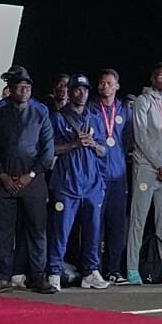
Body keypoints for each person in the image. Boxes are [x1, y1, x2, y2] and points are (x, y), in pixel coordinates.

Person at [0, 67, 56, 294]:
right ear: (11, 88)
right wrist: (1, 174)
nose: (24, 90)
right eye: (20, 87)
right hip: (4, 180)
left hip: (33, 180)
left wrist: (31, 174)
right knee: (2, 232)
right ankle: (3, 277)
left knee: (37, 230)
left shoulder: (40, 111)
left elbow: (48, 150)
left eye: (28, 87)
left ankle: (37, 277)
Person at [47, 74, 109, 291]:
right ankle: (54, 272)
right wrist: (73, 144)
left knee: (93, 230)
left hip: (92, 184)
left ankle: (91, 272)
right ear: (70, 91)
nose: (82, 93)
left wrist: (93, 144)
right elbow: (49, 149)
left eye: (85, 90)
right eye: (77, 89)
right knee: (60, 231)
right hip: (67, 184)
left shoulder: (95, 118)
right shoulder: (58, 118)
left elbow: (104, 150)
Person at [127, 63, 162, 285]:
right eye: (160, 75)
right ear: (152, 79)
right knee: (138, 219)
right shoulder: (143, 101)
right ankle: (132, 268)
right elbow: (141, 136)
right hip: (146, 168)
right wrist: (160, 164)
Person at [90, 69, 132, 285]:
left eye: (109, 83)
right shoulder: (91, 109)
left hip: (118, 176)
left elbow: (128, 140)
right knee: (96, 225)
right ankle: (94, 269)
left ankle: (113, 270)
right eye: (102, 83)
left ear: (117, 86)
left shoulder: (125, 110)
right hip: (97, 176)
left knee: (117, 226)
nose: (105, 86)